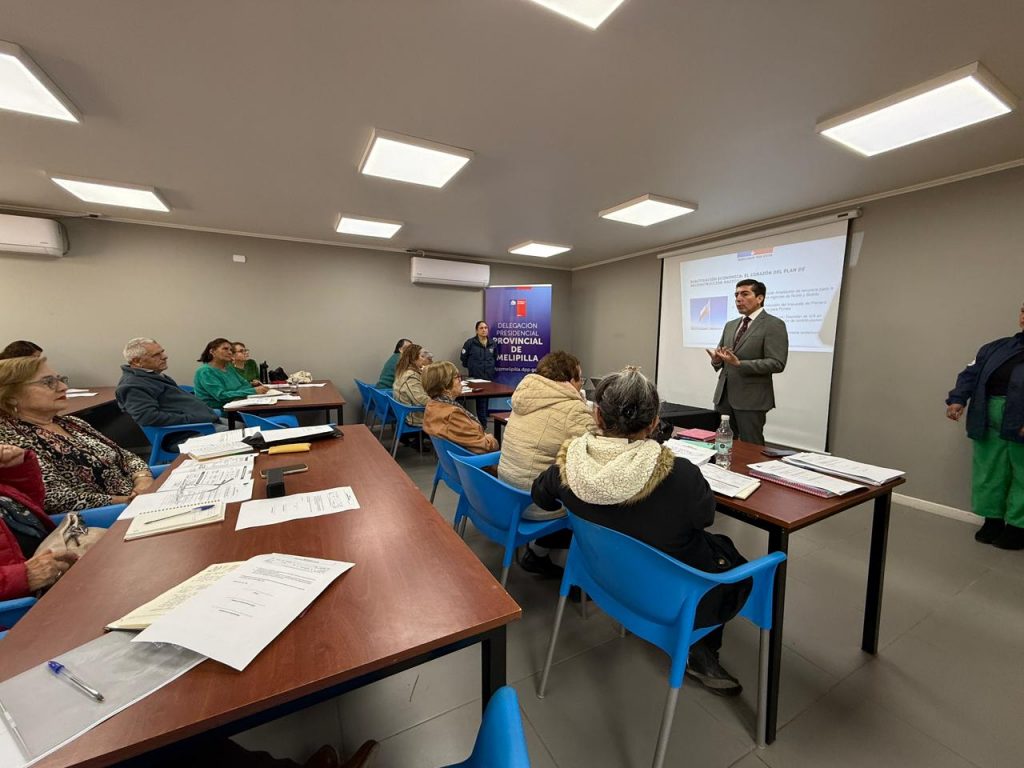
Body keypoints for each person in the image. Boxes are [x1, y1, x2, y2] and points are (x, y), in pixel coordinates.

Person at [532, 366, 751, 696]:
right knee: (725, 553)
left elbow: (541, 497)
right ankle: (700, 650)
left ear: (597, 416)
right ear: (653, 423)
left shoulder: (567, 468)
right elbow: (704, 517)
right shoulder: (681, 476)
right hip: (668, 600)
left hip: (602, 580)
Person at [0, 357, 153, 513]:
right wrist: (130, 501)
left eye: (60, 379)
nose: (63, 387)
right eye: (48, 382)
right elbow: (55, 499)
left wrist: (143, 480)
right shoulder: (11, 440)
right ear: (11, 396)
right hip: (105, 516)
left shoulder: (71, 422)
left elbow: (125, 456)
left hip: (139, 499)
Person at [498, 351, 596, 576]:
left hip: (507, 494)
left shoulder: (525, 396)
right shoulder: (573, 409)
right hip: (535, 502)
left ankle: (539, 551)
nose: (580, 384)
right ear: (569, 381)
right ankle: (579, 573)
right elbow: (597, 448)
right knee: (595, 498)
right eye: (580, 379)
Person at [945, 301, 1024, 549]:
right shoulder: (996, 347)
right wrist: (958, 399)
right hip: (987, 418)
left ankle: (1018, 527)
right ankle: (993, 520)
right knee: (989, 471)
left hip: (1021, 420)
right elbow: (970, 374)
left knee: (1023, 474)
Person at [707, 279, 788, 445]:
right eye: (736, 295)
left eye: (744, 294)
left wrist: (740, 364)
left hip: (752, 399)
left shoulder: (774, 324)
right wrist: (716, 360)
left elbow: (777, 363)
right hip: (724, 397)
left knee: (751, 447)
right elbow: (722, 357)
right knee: (723, 443)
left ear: (760, 298)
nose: (738, 299)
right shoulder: (730, 325)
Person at [0, 444, 77, 601]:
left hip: (62, 573)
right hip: (25, 606)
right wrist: (23, 577)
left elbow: (33, 509)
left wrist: (16, 469)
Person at [117, 338, 220, 431]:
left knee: (231, 426)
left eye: (162, 352)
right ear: (137, 361)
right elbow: (148, 418)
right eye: (156, 355)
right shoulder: (132, 386)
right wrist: (195, 418)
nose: (165, 357)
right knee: (230, 433)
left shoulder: (152, 375)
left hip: (204, 421)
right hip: (189, 431)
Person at [422, 361, 498, 454]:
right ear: (445, 387)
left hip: (451, 460)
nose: (460, 381)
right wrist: (491, 439)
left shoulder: (432, 405)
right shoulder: (453, 414)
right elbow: (484, 448)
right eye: (457, 377)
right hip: (473, 461)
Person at [194, 338, 268, 409]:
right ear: (212, 351)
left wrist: (248, 389)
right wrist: (253, 391)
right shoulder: (205, 371)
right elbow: (221, 396)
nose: (229, 352)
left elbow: (245, 384)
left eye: (231, 350)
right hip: (218, 411)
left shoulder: (229, 368)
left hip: (238, 405)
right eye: (225, 349)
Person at [460, 321, 498, 425]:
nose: (484, 330)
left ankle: (483, 424)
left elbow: (495, 357)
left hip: (489, 377)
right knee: (480, 401)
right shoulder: (470, 343)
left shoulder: (492, 343)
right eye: (481, 328)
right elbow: (463, 359)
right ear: (476, 330)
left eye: (486, 328)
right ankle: (483, 425)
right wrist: (473, 367)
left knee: (486, 400)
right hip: (476, 377)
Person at [393, 343, 431, 426]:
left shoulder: (404, 370)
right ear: (413, 359)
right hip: (415, 416)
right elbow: (420, 400)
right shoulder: (410, 376)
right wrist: (440, 402)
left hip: (406, 413)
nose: (426, 359)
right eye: (422, 356)